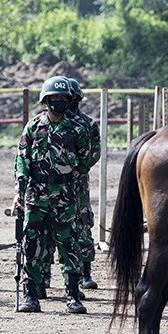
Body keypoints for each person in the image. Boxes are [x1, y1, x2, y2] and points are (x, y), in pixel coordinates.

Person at [13, 76, 93, 314]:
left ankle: (72, 296)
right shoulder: (33, 126)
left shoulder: (77, 128)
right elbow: (22, 159)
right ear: (45, 101)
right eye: (54, 98)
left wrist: (69, 172)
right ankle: (31, 295)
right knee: (32, 245)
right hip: (36, 195)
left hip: (65, 196)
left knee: (68, 245)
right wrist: (19, 190)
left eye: (62, 98)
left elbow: (86, 158)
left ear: (69, 101)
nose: (58, 102)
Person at [66, 78, 102, 290]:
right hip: (52, 185)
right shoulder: (47, 122)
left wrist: (77, 167)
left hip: (78, 184)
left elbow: (94, 152)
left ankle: (85, 272)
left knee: (82, 225)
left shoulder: (87, 124)